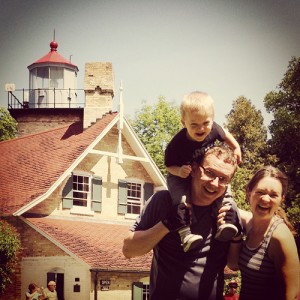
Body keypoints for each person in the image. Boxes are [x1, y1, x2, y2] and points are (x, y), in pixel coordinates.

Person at [123, 146, 242, 300]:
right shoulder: (163, 201)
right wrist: (167, 224)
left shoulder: (227, 213)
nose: (214, 183)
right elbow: (128, 250)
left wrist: (237, 234)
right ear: (193, 169)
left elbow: (234, 264)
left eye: (223, 179)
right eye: (210, 173)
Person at [165, 91, 242, 251]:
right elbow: (168, 166)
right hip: (179, 174)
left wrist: (236, 147)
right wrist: (179, 171)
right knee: (181, 202)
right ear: (183, 122)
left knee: (226, 192)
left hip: (201, 172)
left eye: (205, 123)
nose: (201, 129)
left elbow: (226, 134)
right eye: (194, 125)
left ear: (212, 121)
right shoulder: (177, 144)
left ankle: (225, 224)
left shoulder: (214, 130)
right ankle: (185, 234)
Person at [225, 166, 299, 300]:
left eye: (273, 195)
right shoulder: (249, 222)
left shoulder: (279, 237)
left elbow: (293, 295)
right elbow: (233, 265)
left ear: (281, 199)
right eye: (260, 192)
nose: (265, 199)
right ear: (249, 192)